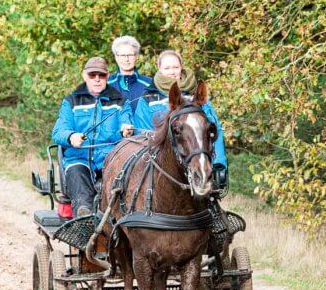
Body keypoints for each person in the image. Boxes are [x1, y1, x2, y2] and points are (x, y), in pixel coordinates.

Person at [52, 56, 133, 217]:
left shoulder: (120, 101)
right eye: (92, 75)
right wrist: (71, 136)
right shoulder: (71, 101)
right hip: (78, 158)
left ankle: (119, 220)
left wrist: (126, 129)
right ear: (84, 76)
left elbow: (126, 121)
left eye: (101, 75)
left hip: (110, 159)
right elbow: (58, 131)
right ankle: (84, 216)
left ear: (107, 77)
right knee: (77, 175)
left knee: (123, 178)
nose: (97, 79)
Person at [134, 49, 227, 188]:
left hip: (193, 157)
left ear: (181, 67)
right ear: (159, 68)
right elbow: (142, 134)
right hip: (161, 165)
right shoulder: (148, 98)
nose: (172, 71)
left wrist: (219, 163)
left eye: (176, 67)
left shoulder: (195, 95)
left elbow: (213, 129)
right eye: (167, 68)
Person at [107, 36, 152, 115]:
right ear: (116, 57)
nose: (126, 59)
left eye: (130, 55)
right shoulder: (106, 84)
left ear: (136, 56)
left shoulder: (149, 84)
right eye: (122, 55)